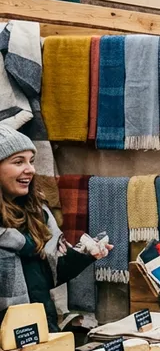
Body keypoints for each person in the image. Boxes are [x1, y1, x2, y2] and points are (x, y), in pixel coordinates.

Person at [0, 127, 108, 330]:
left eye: (31, 161)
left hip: (40, 330)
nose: (30, 169)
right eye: (18, 162)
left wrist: (86, 254)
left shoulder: (36, 214)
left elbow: (49, 275)